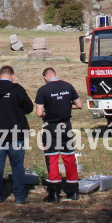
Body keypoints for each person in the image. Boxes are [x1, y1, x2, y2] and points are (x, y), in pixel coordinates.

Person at [0, 65, 34, 205]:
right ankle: (20, 197)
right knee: (17, 166)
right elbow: (29, 107)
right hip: (16, 134)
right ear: (12, 76)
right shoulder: (17, 90)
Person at [35, 67, 82, 202]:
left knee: (52, 158)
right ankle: (73, 191)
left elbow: (39, 113)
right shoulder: (68, 86)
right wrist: (67, 106)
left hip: (51, 127)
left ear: (45, 78)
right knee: (69, 157)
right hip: (66, 126)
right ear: (56, 74)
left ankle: (54, 193)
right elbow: (79, 105)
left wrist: (48, 112)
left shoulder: (43, 90)